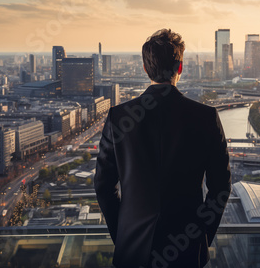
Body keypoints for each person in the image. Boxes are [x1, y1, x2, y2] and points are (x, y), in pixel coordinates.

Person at [95, 29, 231, 268]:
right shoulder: (205, 117)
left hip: (132, 250)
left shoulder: (119, 117)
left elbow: (103, 186)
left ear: (146, 69)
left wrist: (124, 235)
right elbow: (220, 188)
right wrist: (201, 236)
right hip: (187, 249)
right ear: (180, 68)